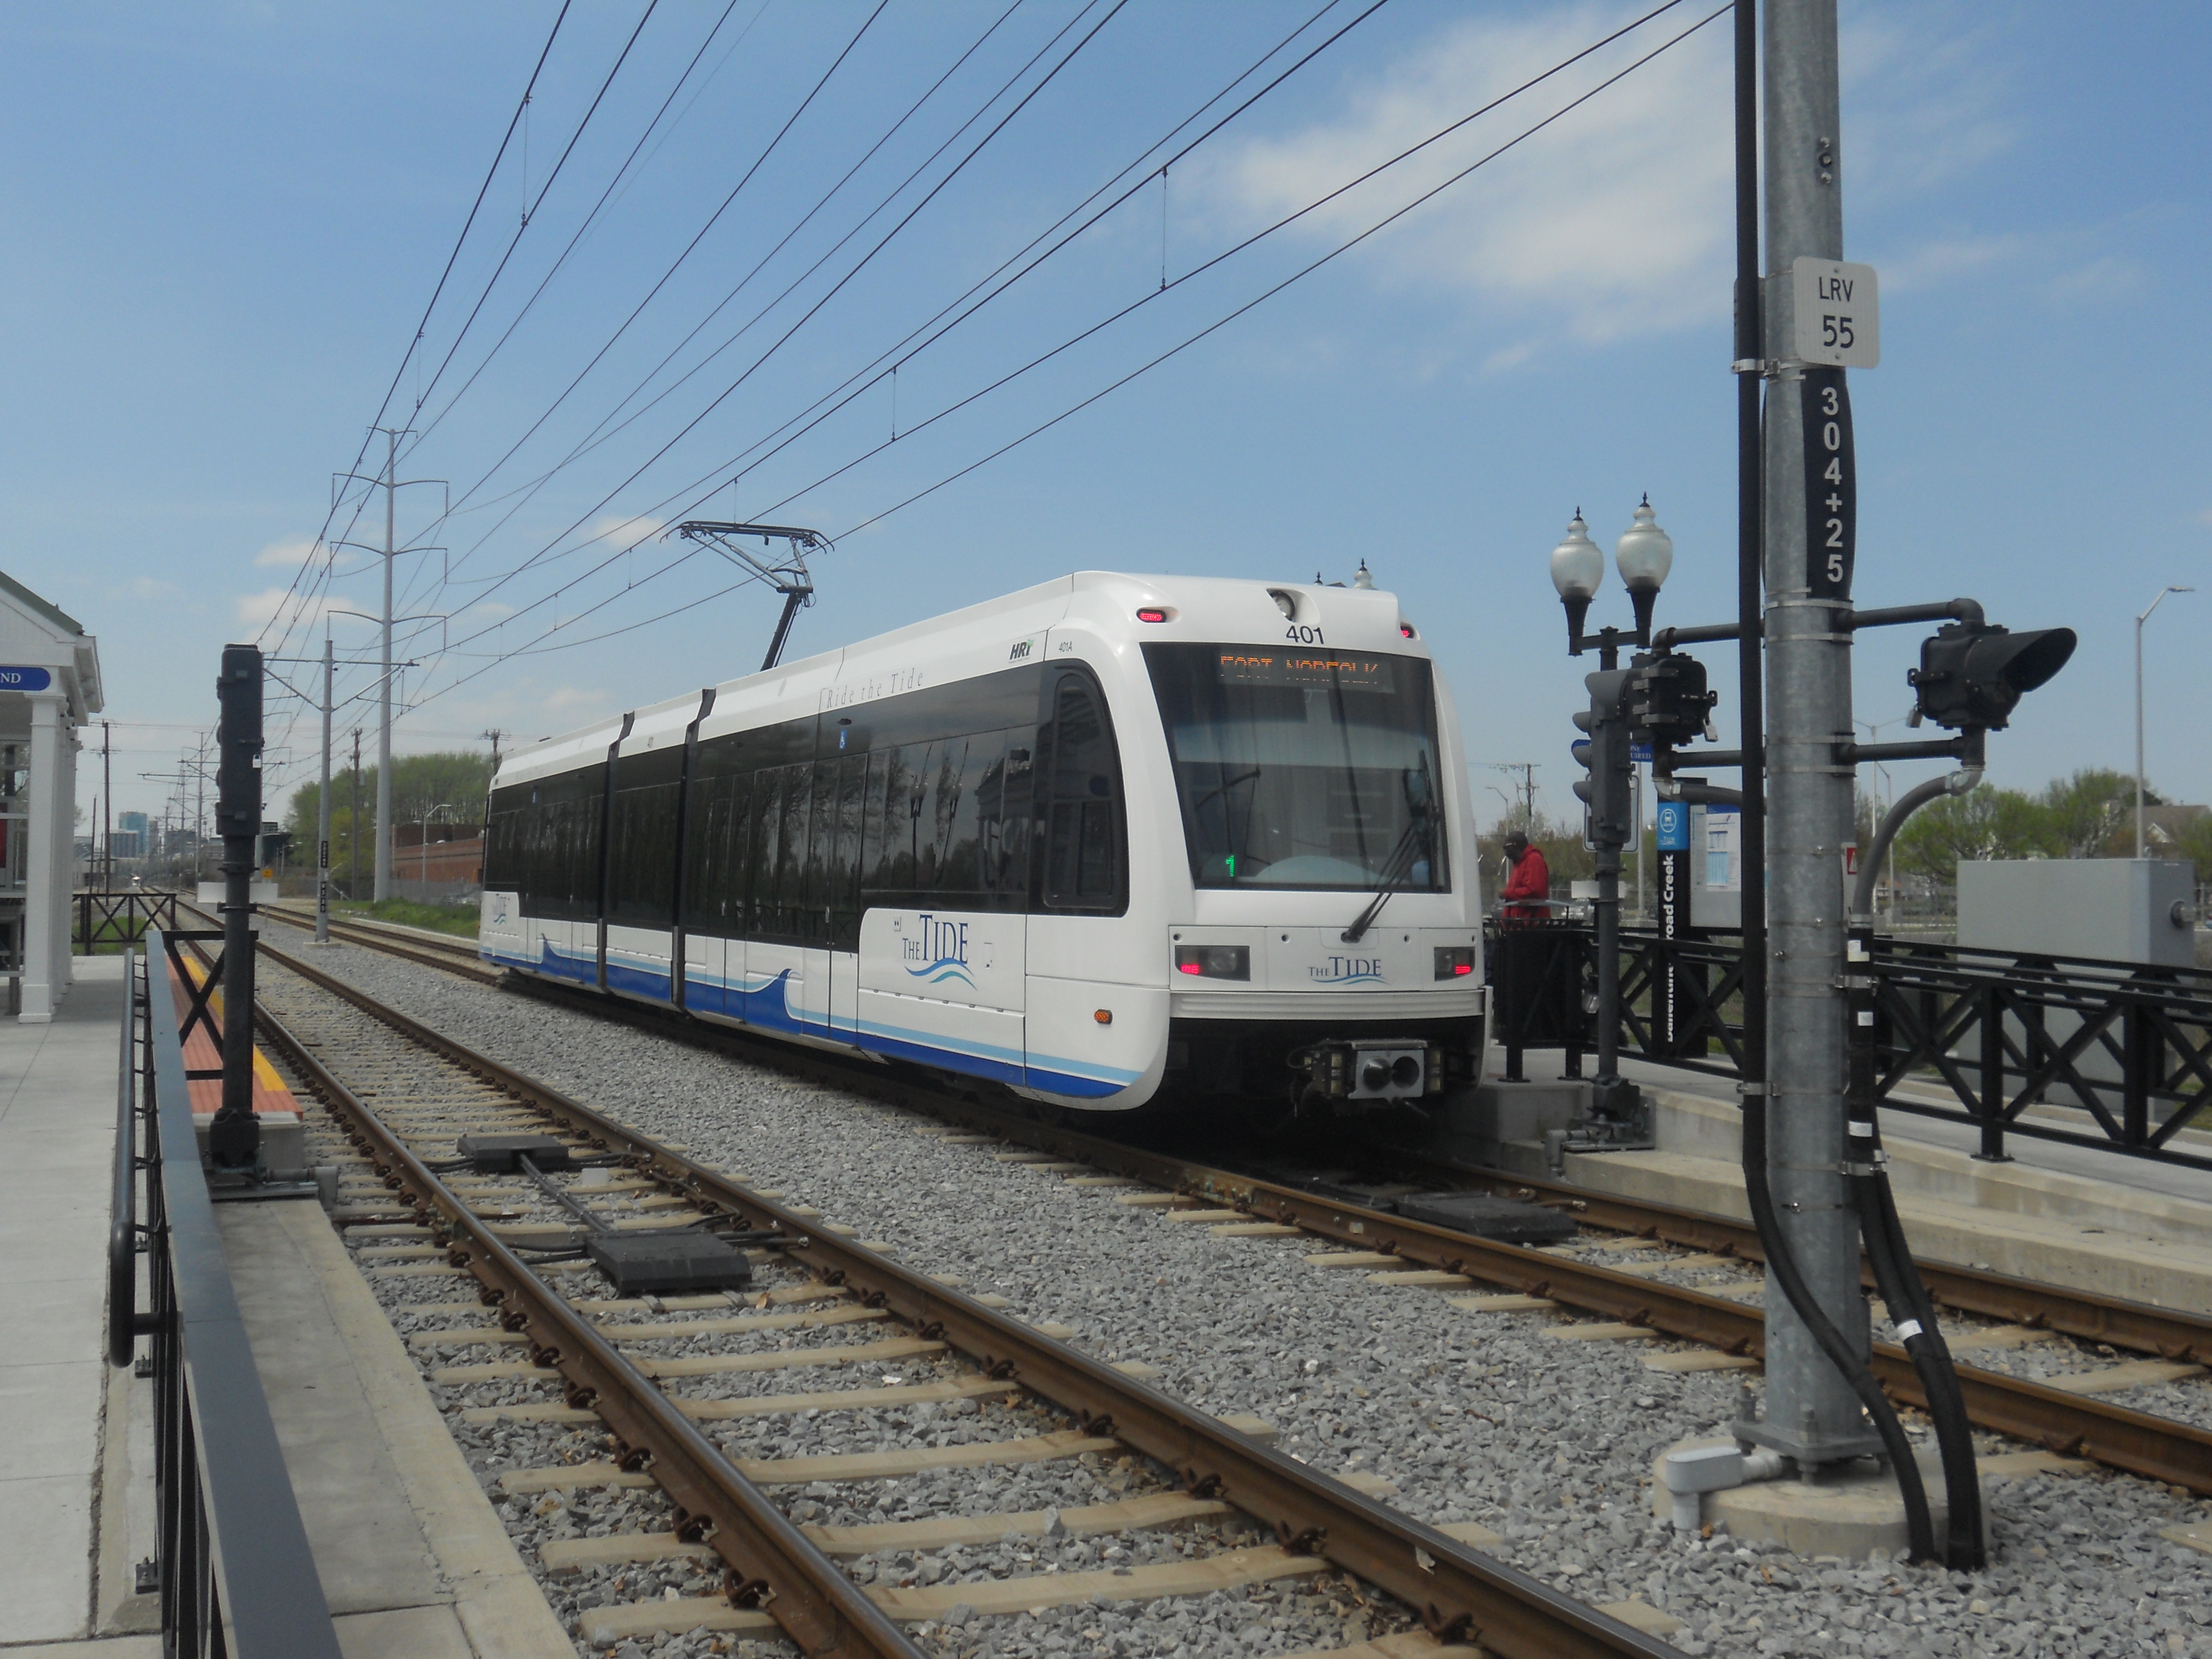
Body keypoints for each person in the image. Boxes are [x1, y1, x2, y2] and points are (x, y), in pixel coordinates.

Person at [1499, 831, 1550, 922]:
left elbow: (1535, 891)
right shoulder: (1518, 863)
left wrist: (1507, 893)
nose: (1506, 852)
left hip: (1530, 926)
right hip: (1518, 925)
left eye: (1506, 848)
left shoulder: (1534, 860)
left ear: (1515, 846)